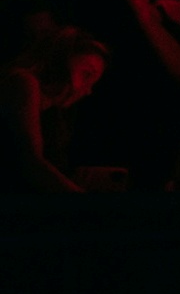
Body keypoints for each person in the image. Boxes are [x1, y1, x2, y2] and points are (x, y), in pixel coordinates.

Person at [4, 13, 109, 193]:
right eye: (87, 74)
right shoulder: (24, 81)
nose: (88, 90)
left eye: (93, 83)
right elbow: (32, 163)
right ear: (63, 57)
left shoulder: (54, 110)